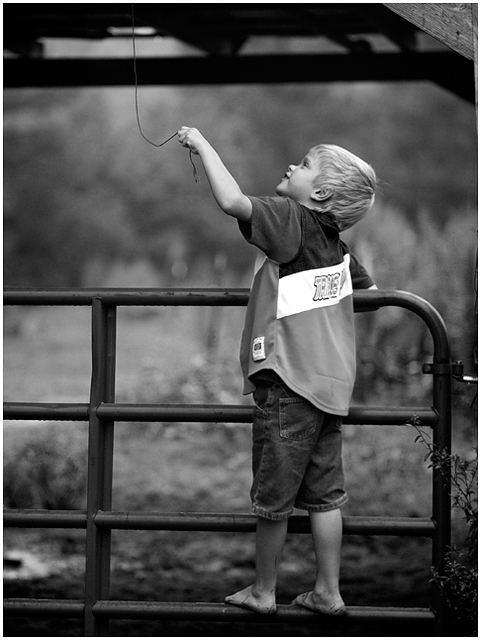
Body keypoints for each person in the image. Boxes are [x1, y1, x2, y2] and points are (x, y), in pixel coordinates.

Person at [177, 127, 377, 616]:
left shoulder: (291, 219)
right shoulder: (335, 243)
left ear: (321, 193)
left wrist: (203, 145)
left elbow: (232, 202)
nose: (293, 166)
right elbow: (369, 297)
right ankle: (327, 591)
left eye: (304, 165)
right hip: (329, 387)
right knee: (326, 498)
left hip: (288, 383)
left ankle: (264, 590)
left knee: (273, 497)